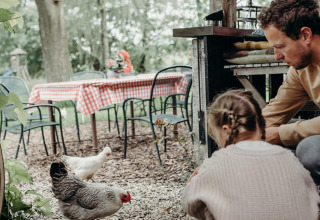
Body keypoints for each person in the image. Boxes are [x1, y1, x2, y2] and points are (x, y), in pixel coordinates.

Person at [182, 89, 319, 220]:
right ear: (259, 124)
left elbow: (190, 205)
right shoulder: (291, 159)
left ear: (225, 130)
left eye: (217, 137)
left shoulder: (214, 164)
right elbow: (312, 201)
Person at [257, 0, 320, 184]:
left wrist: (281, 134)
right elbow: (273, 114)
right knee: (260, 137)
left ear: (305, 35)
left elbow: (281, 132)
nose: (276, 56)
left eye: (280, 46)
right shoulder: (302, 70)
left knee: (311, 150)